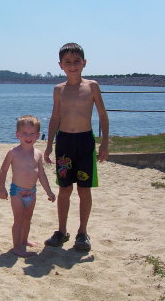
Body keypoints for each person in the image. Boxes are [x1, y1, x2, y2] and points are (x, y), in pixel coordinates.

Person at [44, 43, 109, 252]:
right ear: (60, 65)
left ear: (84, 63)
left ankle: (82, 232)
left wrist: (105, 143)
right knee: (64, 189)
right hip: (64, 142)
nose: (72, 66)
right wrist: (48, 145)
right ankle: (61, 231)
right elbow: (55, 117)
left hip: (84, 143)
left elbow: (102, 115)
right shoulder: (59, 89)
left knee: (84, 189)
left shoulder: (92, 86)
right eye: (67, 62)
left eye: (76, 61)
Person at [0, 115, 56, 257]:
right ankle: (17, 246)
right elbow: (4, 170)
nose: (28, 136)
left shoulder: (38, 154)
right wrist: (2, 187)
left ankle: (24, 240)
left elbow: (41, 175)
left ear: (37, 135)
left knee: (27, 218)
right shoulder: (13, 152)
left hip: (32, 192)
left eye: (32, 133)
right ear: (17, 134)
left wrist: (49, 191)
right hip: (17, 192)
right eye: (24, 133)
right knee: (18, 219)